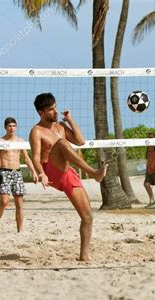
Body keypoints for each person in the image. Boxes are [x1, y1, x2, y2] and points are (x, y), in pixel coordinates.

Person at [29, 92, 107, 261]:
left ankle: (84, 255)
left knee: (87, 216)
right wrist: (40, 173)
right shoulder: (36, 131)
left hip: (66, 172)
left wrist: (70, 120)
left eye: (55, 107)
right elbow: (35, 157)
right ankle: (93, 173)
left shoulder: (61, 127)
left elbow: (81, 141)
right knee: (63, 143)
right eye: (50, 109)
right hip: (49, 170)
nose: (55, 111)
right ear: (41, 113)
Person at [0, 117, 38, 233]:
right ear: (5, 128)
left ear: (16, 127)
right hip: (4, 172)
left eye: (14, 126)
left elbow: (26, 158)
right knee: (4, 202)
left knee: (19, 203)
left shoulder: (20, 141)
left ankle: (20, 230)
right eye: (9, 126)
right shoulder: (0, 142)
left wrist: (34, 172)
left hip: (17, 172)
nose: (12, 128)